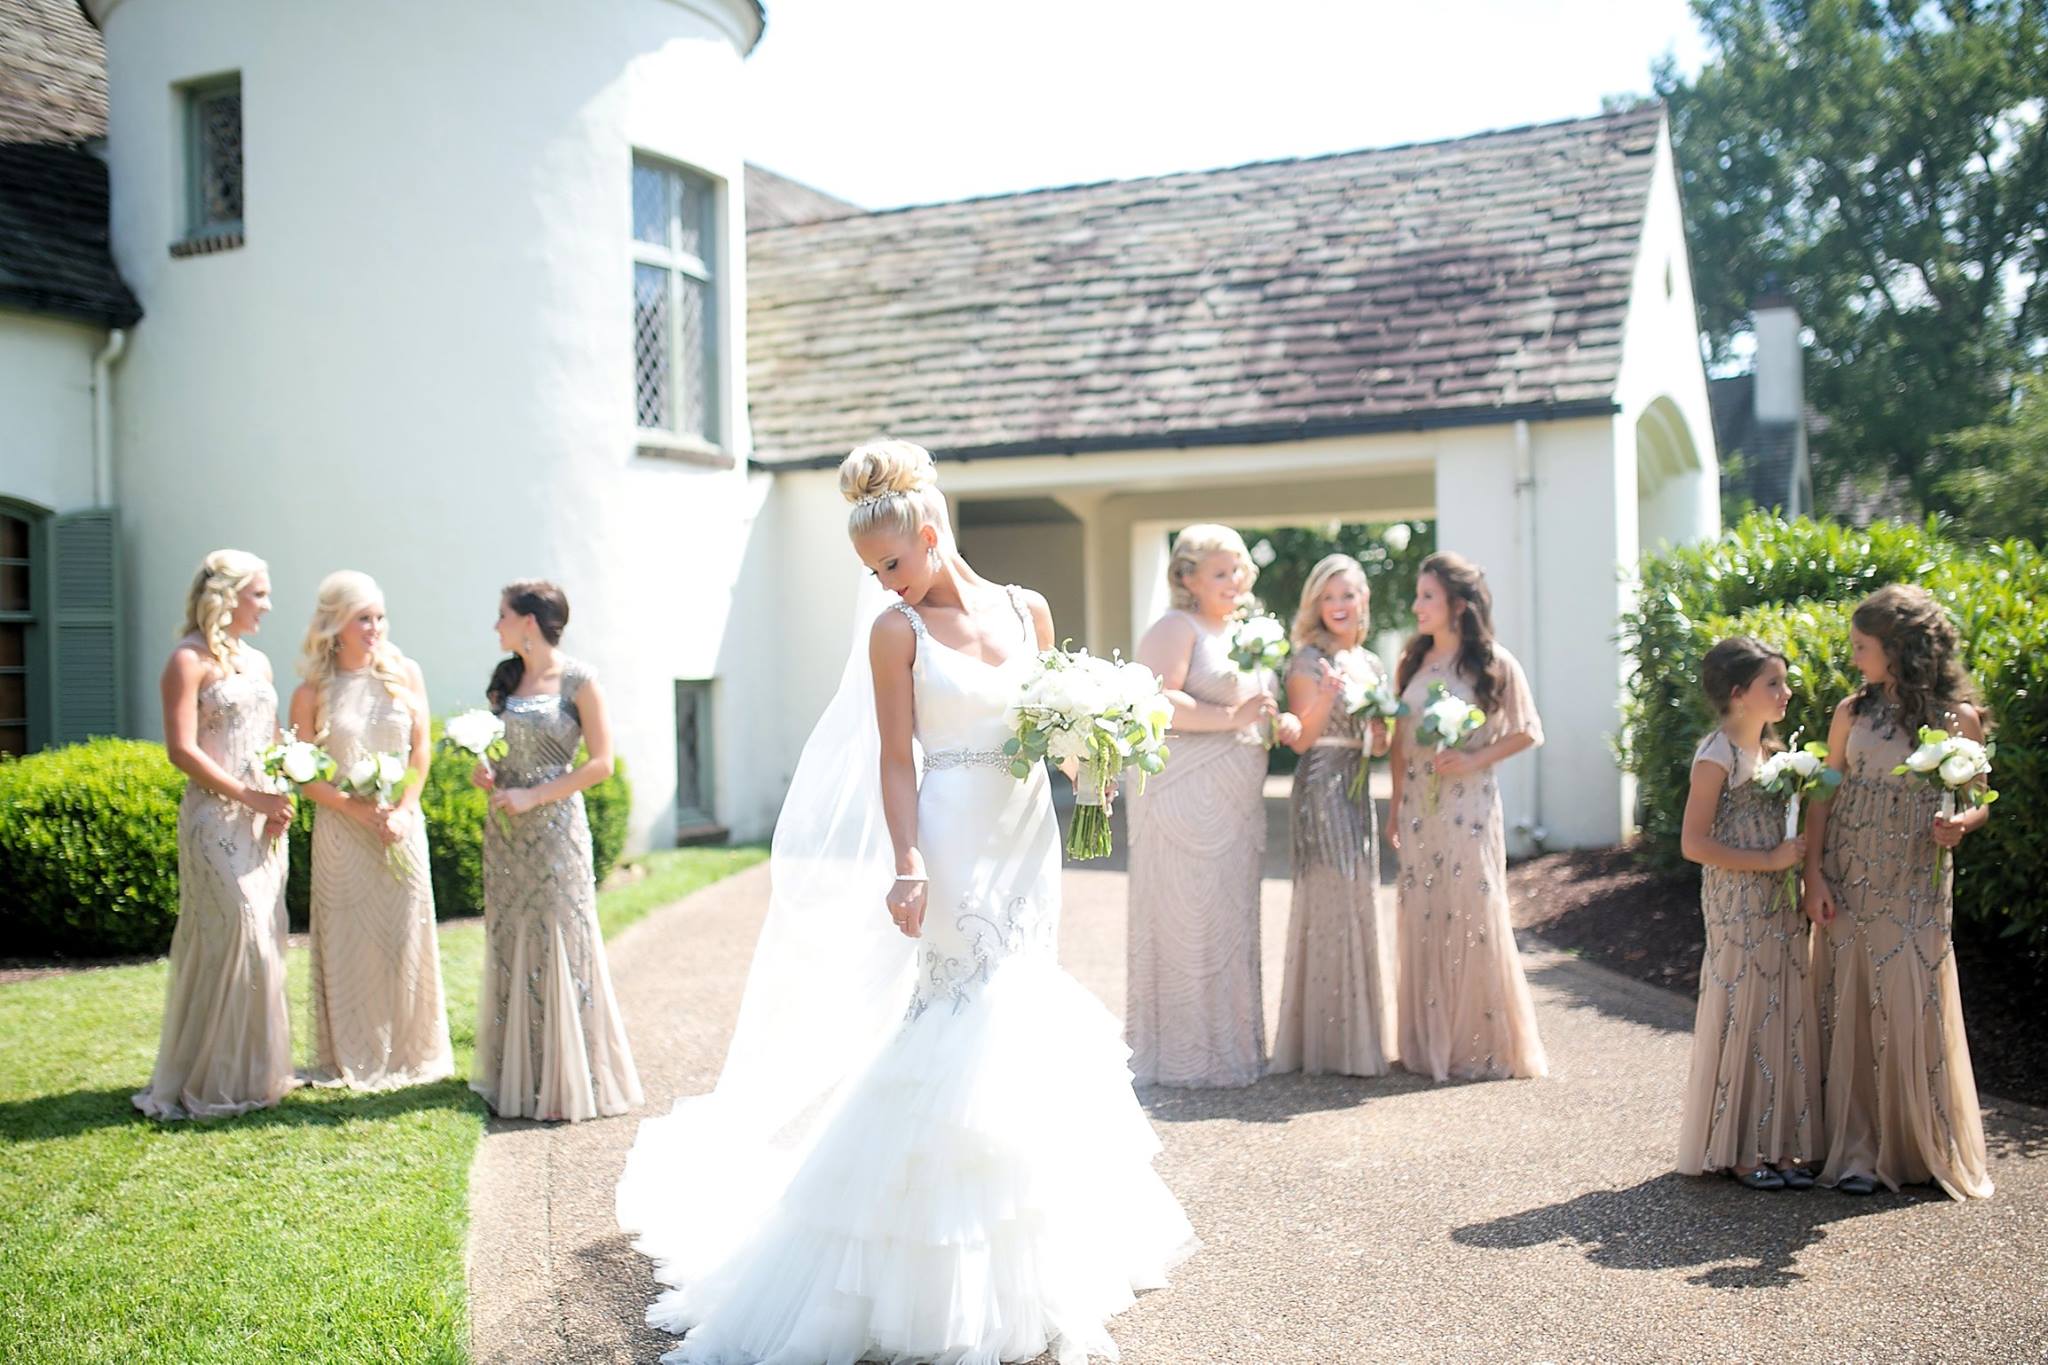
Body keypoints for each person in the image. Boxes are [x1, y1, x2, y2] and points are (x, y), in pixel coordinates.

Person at [617, 439, 1193, 1364]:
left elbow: (1047, 723)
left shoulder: (1026, 609)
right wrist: (909, 859)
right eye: (870, 571)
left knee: (1026, 1014)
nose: (885, 583)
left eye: (892, 561)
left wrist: (1093, 761)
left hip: (1027, 832)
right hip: (954, 832)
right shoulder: (898, 633)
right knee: (960, 1015)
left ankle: (1042, 1250)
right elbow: (896, 757)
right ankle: (928, 1261)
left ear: (930, 532)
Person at [1802, 584, 1994, 1200]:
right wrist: (1813, 872)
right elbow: (1826, 789)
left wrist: (1958, 825)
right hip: (1851, 873)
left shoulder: (1955, 719)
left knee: (1911, 1002)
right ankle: (1857, 1150)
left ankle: (1917, 1146)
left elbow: (1979, 802)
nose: (1854, 657)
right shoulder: (1850, 713)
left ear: (1899, 648)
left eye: (1863, 646)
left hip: (1916, 877)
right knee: (1851, 1002)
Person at [1126, 524, 1296, 1088]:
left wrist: (1275, 720)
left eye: (1240, 569)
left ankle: (1229, 1052)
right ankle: (1179, 1058)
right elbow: (1156, 699)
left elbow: (1258, 704)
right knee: (1186, 915)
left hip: (1236, 800)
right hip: (1184, 797)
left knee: (1229, 916)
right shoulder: (1176, 626)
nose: (1235, 579)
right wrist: (1232, 718)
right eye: (1221, 572)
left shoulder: (1248, 631)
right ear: (1187, 577)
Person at [470, 580, 642, 1121]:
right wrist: (490, 774)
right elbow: (505, 752)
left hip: (555, 831)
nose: (495, 625)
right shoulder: (506, 680)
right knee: (510, 934)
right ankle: (517, 1077)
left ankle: (574, 1078)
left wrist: (534, 795)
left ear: (528, 621)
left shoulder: (579, 680)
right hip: (506, 832)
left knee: (563, 938)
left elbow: (601, 763)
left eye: (501, 615)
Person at [133, 550, 296, 1120]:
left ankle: (252, 1074)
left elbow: (274, 742)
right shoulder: (187, 660)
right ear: (226, 596)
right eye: (260, 594)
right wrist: (248, 795)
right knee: (238, 938)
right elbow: (182, 749)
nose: (268, 605)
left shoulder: (261, 663)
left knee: (266, 940)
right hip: (213, 823)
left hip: (262, 823)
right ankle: (207, 1079)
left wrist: (281, 797)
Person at [1384, 551, 1547, 1083]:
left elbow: (1528, 730)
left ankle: (1481, 1045)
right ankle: (1427, 1043)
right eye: (1418, 595)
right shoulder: (1412, 661)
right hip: (1416, 810)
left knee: (1472, 910)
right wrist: (1392, 808)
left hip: (1469, 807)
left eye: (1426, 596)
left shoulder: (1494, 662)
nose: (1417, 606)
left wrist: (1474, 757)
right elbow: (1398, 744)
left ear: (1457, 604)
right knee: (1425, 913)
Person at [289, 570, 452, 1092]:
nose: (375, 627)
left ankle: (411, 1052)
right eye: (364, 618)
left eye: (380, 616)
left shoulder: (406, 673)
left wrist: (405, 809)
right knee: (350, 942)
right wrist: (355, 811)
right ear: (335, 625)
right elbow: (302, 772)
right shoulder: (312, 690)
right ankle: (353, 1055)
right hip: (342, 833)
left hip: (402, 829)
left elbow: (422, 748)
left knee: (404, 939)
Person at [1674, 636, 1820, 1189]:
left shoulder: (1771, 753)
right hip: (1737, 902)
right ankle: (1739, 1148)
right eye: (1773, 684)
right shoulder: (1718, 756)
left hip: (1778, 901)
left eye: (1784, 681)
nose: (1787, 692)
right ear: (1738, 694)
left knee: (1783, 1009)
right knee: (1746, 1009)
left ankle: (1782, 1145)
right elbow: (1692, 843)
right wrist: (1766, 859)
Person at [1271, 553, 1393, 1077]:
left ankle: (1357, 1041)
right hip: (1322, 782)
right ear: (1316, 605)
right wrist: (1325, 695)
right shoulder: (1307, 659)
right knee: (1333, 893)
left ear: (1363, 599)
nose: (1339, 606)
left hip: (1358, 783)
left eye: (1347, 595)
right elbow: (1302, 738)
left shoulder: (1371, 661)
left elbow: (1382, 745)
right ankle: (1323, 1046)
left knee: (1359, 895)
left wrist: (1381, 729)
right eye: (1328, 597)